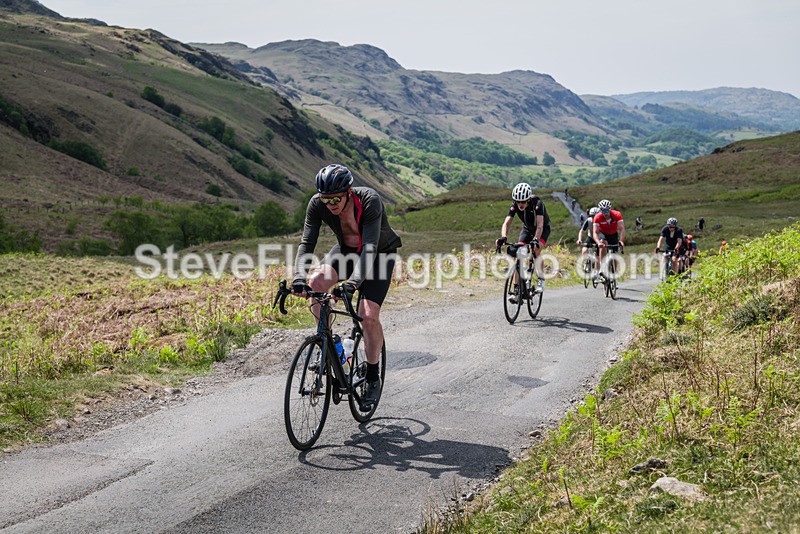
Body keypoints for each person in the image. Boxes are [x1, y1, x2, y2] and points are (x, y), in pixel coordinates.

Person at [292, 164, 402, 411]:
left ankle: (372, 377)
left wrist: (353, 283)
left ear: (348, 192)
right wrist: (298, 277)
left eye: (335, 199)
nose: (330, 204)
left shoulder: (370, 200)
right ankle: (330, 344)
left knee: (368, 316)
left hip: (378, 255)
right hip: (346, 252)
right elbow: (307, 241)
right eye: (325, 199)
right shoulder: (317, 204)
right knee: (315, 283)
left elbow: (370, 248)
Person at [495, 183, 551, 300]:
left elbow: (540, 225)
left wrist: (536, 239)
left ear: (529, 200)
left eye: (523, 202)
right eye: (518, 202)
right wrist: (503, 237)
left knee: (536, 250)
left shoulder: (538, 204)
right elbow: (507, 223)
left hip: (542, 229)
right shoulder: (515, 205)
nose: (520, 204)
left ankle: (541, 279)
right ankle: (517, 290)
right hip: (527, 229)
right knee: (519, 254)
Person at [591, 199, 625, 279]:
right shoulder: (597, 217)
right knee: (603, 243)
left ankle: (614, 275)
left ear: (610, 209)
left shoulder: (617, 214)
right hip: (603, 233)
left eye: (606, 210)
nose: (605, 213)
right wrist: (598, 242)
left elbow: (622, 229)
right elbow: (595, 232)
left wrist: (621, 241)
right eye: (603, 211)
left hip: (613, 234)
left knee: (614, 255)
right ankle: (602, 268)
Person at [577, 207, 600, 272]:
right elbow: (582, 231)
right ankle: (587, 263)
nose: (594, 218)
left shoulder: (602, 221)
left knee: (598, 256)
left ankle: (598, 271)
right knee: (584, 250)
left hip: (600, 239)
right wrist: (579, 239)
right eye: (592, 216)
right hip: (591, 237)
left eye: (596, 216)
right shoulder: (588, 220)